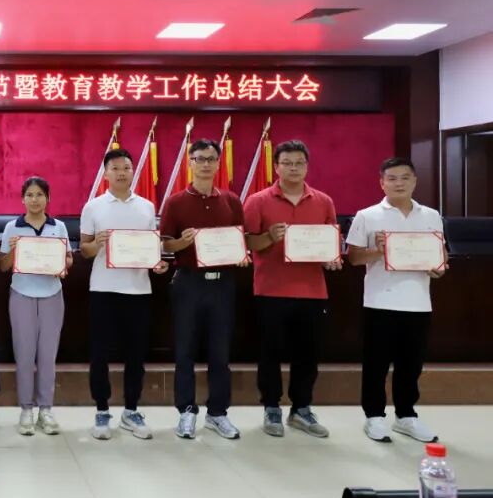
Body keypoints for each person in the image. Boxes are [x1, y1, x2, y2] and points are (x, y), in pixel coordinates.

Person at [346, 157, 446, 443]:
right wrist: (378, 251)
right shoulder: (367, 215)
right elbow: (353, 258)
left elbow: (440, 256)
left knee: (411, 364)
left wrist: (439, 268)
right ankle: (374, 416)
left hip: (418, 302)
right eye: (392, 178)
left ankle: (406, 416)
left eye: (405, 177)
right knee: (375, 364)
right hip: (380, 301)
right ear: (382, 183)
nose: (399, 183)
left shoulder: (431, 216)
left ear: (414, 181)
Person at [244, 141, 339, 439]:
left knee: (308, 354)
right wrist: (269, 237)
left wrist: (332, 258)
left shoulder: (324, 201)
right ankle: (271, 407)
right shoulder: (258, 200)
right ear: (276, 167)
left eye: (299, 162)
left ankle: (301, 409)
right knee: (269, 353)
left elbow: (331, 242)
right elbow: (247, 242)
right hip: (270, 289)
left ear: (307, 166)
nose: (293, 168)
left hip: (312, 291)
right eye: (287, 163)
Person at [160, 138, 249, 440]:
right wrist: (181, 243)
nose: (206, 164)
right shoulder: (175, 202)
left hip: (223, 284)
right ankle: (186, 411)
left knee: (220, 353)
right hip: (189, 283)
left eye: (211, 159)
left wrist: (241, 255)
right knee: (185, 350)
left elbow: (240, 240)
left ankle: (218, 413)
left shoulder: (232, 200)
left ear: (218, 163)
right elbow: (166, 244)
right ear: (190, 163)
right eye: (200, 159)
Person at [79, 149, 169, 441]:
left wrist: (157, 264)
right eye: (115, 168)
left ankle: (131, 410)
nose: (121, 172)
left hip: (138, 290)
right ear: (106, 173)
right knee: (99, 354)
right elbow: (84, 250)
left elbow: (150, 249)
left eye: (126, 167)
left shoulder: (146, 207)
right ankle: (101, 411)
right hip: (103, 289)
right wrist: (97, 244)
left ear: (133, 172)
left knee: (136, 355)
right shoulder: (93, 207)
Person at [0, 176, 73, 436]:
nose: (34, 199)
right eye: (29, 195)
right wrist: (13, 251)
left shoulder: (58, 227)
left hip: (52, 294)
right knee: (24, 353)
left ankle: (46, 409)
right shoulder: (12, 227)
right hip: (22, 294)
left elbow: (69, 259)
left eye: (39, 194)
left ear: (48, 198)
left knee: (48, 355)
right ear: (22, 199)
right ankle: (26, 409)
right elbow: (3, 266)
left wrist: (63, 263)